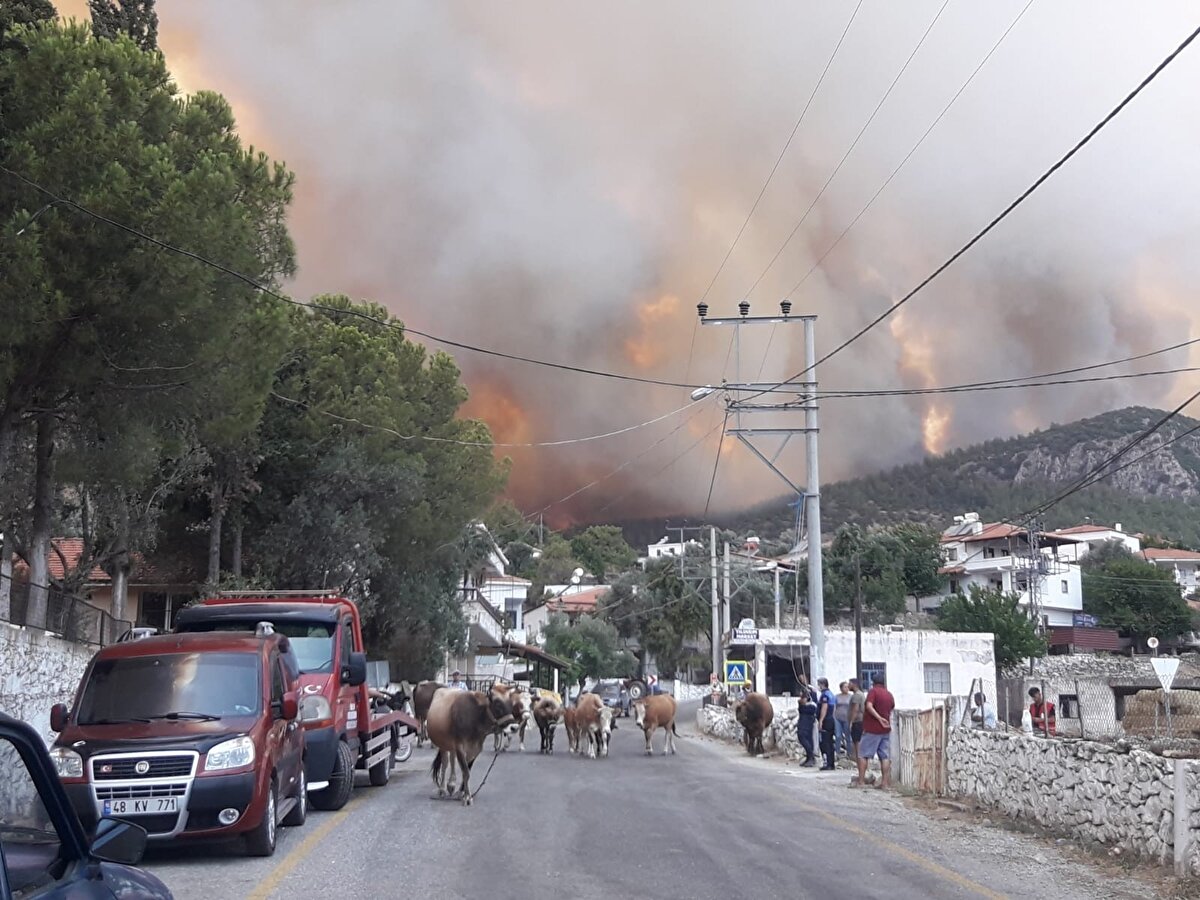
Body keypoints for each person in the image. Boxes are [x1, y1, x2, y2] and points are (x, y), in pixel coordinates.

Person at [855, 673, 895, 789]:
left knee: (863, 754)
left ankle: (861, 781)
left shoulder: (873, 692)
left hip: (872, 728)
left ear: (873, 682)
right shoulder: (889, 694)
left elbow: (868, 706)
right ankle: (885, 783)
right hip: (885, 729)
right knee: (884, 756)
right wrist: (884, 718)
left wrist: (878, 718)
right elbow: (891, 707)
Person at [796, 680, 819, 767]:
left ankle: (811, 757)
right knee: (807, 738)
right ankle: (809, 757)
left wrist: (802, 704)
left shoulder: (812, 705)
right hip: (804, 720)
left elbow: (805, 710)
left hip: (807, 720)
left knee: (802, 736)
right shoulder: (807, 704)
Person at [817, 678, 837, 770]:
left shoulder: (825, 695)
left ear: (822, 685)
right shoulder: (831, 694)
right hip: (831, 720)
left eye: (819, 684)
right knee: (830, 742)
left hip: (826, 721)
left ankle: (828, 764)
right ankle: (831, 763)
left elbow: (824, 708)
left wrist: (821, 720)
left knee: (826, 742)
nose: (818, 687)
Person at [847, 679, 866, 759]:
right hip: (859, 722)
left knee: (857, 744)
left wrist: (851, 722)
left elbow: (855, 709)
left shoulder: (857, 695)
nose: (848, 685)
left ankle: (860, 762)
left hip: (857, 722)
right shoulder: (859, 694)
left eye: (849, 683)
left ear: (854, 684)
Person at [834, 681, 852, 756]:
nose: (846, 688)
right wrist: (833, 716)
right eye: (845, 687)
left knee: (848, 736)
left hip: (847, 718)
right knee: (838, 736)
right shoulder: (837, 696)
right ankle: (837, 752)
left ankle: (849, 753)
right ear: (841, 688)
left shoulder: (851, 697)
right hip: (838, 718)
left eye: (847, 687)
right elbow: (834, 707)